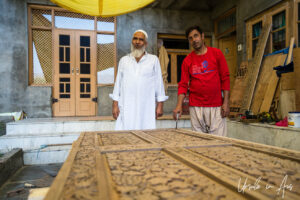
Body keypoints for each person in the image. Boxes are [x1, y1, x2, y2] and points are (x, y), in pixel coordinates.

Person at [173, 26, 230, 136]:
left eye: (196, 36)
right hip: (196, 107)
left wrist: (226, 103)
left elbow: (225, 78)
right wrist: (179, 105)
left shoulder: (216, 54)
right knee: (198, 141)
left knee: (219, 142)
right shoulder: (187, 61)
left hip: (216, 105)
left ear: (202, 36)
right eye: (190, 38)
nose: (194, 40)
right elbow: (183, 84)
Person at [110, 30, 168, 130]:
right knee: (125, 134)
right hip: (126, 105)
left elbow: (159, 83)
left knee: (146, 133)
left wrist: (160, 105)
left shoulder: (153, 60)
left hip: (146, 106)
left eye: (141, 39)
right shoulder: (124, 60)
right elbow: (118, 84)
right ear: (132, 41)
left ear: (145, 43)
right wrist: (115, 105)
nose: (137, 42)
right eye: (135, 39)